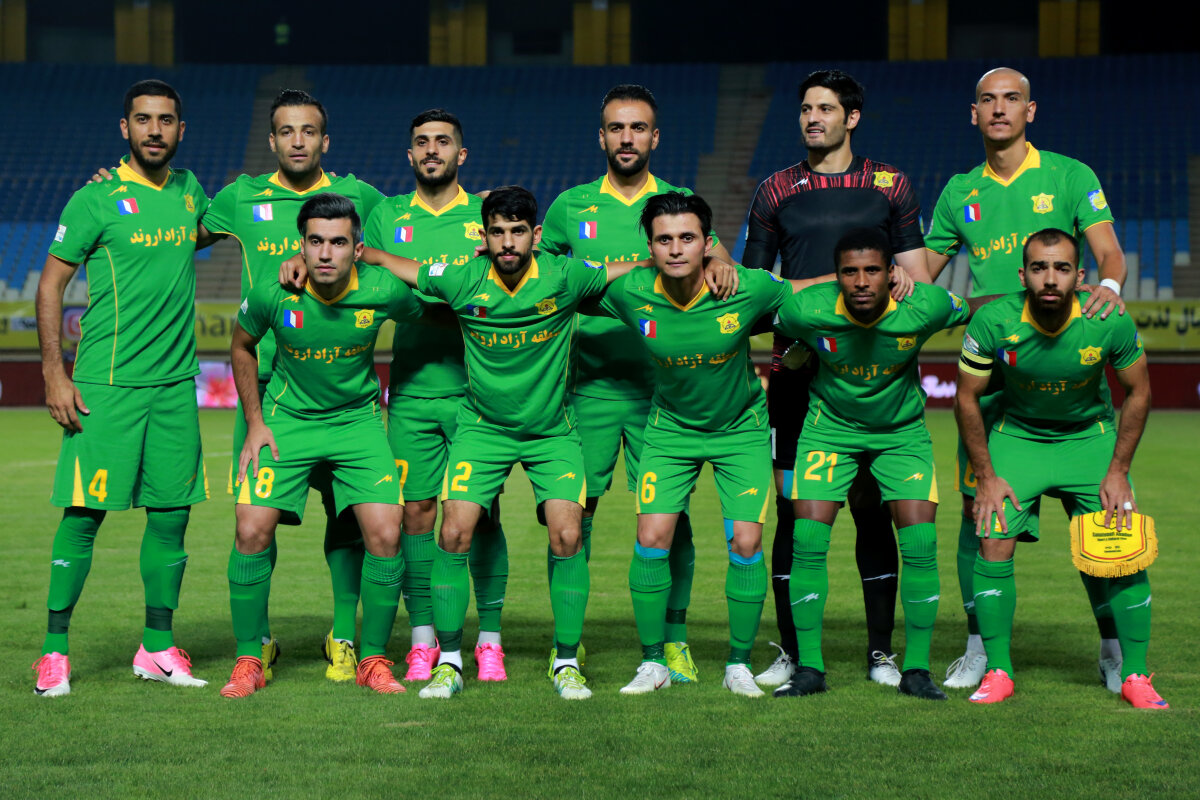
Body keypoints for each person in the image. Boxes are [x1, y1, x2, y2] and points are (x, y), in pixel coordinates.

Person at [293, 186, 735, 700]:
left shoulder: (564, 276)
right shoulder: (462, 277)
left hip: (552, 431)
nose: (507, 242)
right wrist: (309, 258)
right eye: (498, 232)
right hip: (483, 430)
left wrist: (713, 260)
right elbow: (394, 264)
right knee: (453, 532)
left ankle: (566, 662)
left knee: (568, 534)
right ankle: (450, 662)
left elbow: (640, 266)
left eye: (518, 231)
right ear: (483, 237)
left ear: (536, 235)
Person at [925, 67, 1129, 691]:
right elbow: (923, 275)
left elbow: (1108, 253)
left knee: (1095, 521)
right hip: (990, 379)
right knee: (977, 512)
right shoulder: (959, 191)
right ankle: (980, 648)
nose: (999, 109)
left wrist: (1109, 287)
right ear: (974, 113)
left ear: (1030, 111)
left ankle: (1115, 647)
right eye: (987, 100)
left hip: (1061, 370)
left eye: (1012, 99)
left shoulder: (1069, 175)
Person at [742, 69, 931, 689]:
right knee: (795, 511)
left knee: (873, 509)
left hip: (873, 378)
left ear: (852, 118)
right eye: (805, 109)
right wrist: (829, 287)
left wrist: (897, 284)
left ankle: (881, 653)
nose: (812, 118)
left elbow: (917, 283)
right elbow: (755, 293)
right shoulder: (776, 190)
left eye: (825, 108)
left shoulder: (890, 185)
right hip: (796, 376)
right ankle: (794, 653)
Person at [538, 84, 733, 683]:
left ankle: (674, 640)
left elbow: (720, 261)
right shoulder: (569, 206)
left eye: (638, 128)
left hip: (662, 394)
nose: (627, 138)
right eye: (617, 128)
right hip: (588, 388)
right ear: (601, 137)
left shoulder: (678, 206)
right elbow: (544, 278)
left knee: (672, 520)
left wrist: (722, 261)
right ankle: (568, 644)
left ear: (655, 137)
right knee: (573, 518)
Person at [593, 192, 817, 697]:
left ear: (707, 242)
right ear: (650, 247)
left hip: (740, 430)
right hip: (670, 430)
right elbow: (560, 283)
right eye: (664, 240)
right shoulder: (630, 292)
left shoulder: (746, 287)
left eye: (687, 238)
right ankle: (654, 662)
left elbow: (807, 289)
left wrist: (889, 274)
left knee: (746, 543)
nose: (676, 249)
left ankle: (738, 664)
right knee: (652, 538)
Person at [202, 89, 386, 683]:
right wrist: (117, 183)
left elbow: (411, 229)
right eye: (286, 131)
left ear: (324, 140)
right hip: (265, 390)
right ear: (272, 140)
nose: (298, 141)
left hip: (338, 385)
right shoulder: (240, 197)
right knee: (257, 520)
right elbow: (173, 229)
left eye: (309, 131)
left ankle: (344, 636)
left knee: (348, 516)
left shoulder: (359, 196)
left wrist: (478, 210)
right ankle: (257, 645)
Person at [33, 79, 209, 696]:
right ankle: (54, 651)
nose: (154, 130)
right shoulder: (94, 198)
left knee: (171, 518)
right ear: (125, 128)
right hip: (105, 386)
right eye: (143, 119)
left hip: (174, 387)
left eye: (165, 120)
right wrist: (53, 372)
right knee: (83, 516)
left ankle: (157, 647)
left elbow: (220, 229)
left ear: (181, 130)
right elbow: (50, 285)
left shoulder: (190, 192)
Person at [220, 193, 421, 698]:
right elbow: (241, 345)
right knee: (250, 528)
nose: (326, 253)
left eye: (338, 242)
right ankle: (249, 659)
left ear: (357, 248)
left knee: (386, 532)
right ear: (301, 245)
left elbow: (436, 305)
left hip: (356, 423)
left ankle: (372, 659)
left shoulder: (382, 288)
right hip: (288, 420)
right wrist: (255, 423)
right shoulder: (273, 292)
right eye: (315, 242)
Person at [955, 228, 1164, 708]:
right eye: (1040, 268)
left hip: (1089, 440)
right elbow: (966, 398)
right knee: (992, 536)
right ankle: (998, 670)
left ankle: (1133, 672)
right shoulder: (993, 320)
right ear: (1023, 274)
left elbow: (1140, 392)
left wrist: (1118, 471)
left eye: (1062, 268)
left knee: (1122, 547)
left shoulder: (1107, 319)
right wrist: (986, 477)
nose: (1050, 278)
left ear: (1079, 275)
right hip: (1018, 436)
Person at [771, 228, 981, 701]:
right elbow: (759, 314)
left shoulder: (923, 305)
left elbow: (977, 307)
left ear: (891, 273)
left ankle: (917, 671)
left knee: (921, 543)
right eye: (850, 272)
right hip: (828, 431)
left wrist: (1060, 296)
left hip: (900, 433)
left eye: (872, 271)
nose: (861, 281)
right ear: (836, 275)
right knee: (807, 540)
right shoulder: (808, 309)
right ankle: (810, 669)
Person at [362, 109, 509, 683]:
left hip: (478, 393)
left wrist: (427, 281)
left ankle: (490, 640)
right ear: (410, 154)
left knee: (481, 514)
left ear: (460, 154)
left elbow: (492, 289)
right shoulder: (386, 216)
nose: (432, 150)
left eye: (443, 141)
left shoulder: (487, 216)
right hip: (414, 392)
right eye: (421, 141)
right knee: (416, 514)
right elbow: (374, 284)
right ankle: (424, 639)